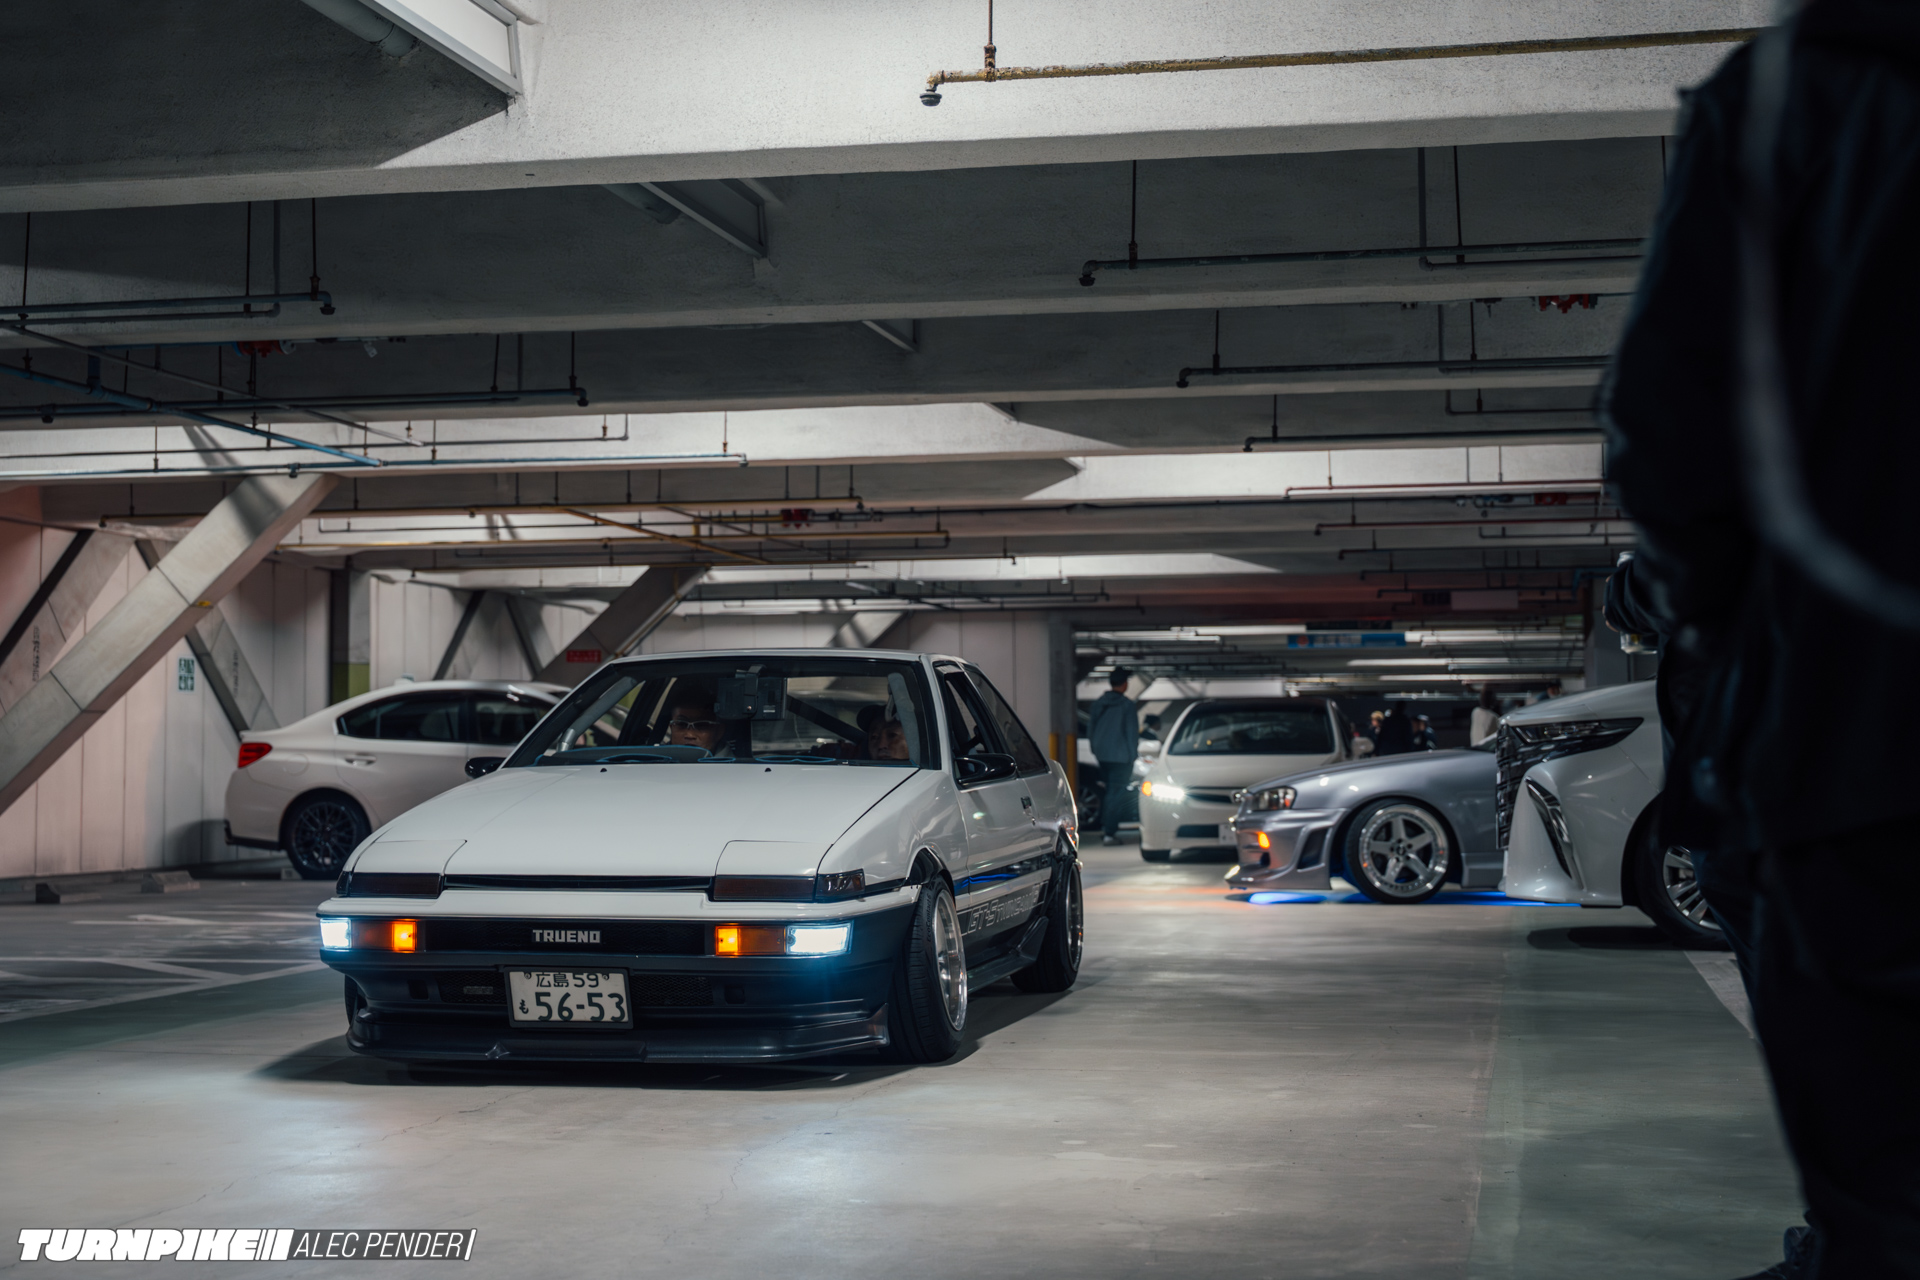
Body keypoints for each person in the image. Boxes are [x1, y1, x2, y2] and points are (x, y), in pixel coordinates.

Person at [1603, 6, 1920, 1273]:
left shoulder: (1794, 96)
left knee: (1887, 1182)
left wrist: (1747, 644)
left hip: (1862, 743)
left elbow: (1671, 432)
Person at [1085, 667, 1140, 846]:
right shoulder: (1127, 705)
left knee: (1109, 792)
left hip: (1103, 756)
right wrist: (1132, 756)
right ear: (1124, 684)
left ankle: (1106, 828)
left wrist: (1096, 750)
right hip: (1121, 758)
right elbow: (1131, 733)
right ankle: (1109, 833)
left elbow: (1091, 729)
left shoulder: (1099, 704)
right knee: (1116, 794)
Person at [664, 688, 726, 754]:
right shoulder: (658, 758)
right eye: (681, 724)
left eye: (701, 726)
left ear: (719, 732)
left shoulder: (731, 760)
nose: (690, 735)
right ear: (671, 727)